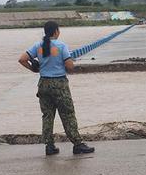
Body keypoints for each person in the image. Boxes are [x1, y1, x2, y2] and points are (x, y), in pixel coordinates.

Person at [18, 21, 95, 156]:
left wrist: (34, 69)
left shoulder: (38, 46)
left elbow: (22, 59)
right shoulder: (61, 46)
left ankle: (49, 146)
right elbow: (70, 66)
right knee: (67, 114)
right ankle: (77, 144)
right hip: (59, 84)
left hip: (43, 84)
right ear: (55, 31)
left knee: (47, 115)